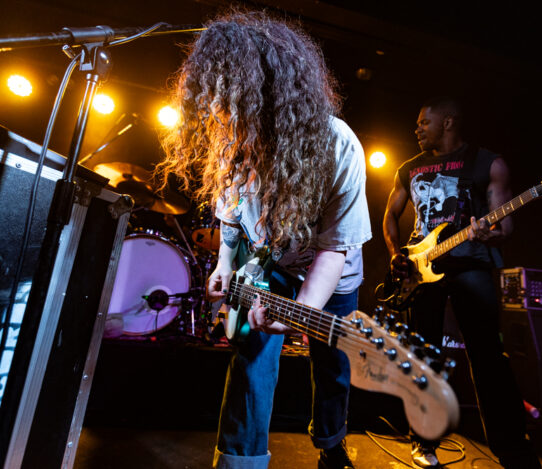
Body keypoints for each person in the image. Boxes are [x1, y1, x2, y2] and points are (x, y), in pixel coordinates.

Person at [155, 11, 372, 469]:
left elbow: (334, 248)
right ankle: (240, 462)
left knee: (332, 367)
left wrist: (302, 311)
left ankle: (331, 445)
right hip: (268, 265)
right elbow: (232, 216)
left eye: (233, 97)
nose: (222, 112)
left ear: (269, 92)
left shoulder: (338, 145)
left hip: (332, 274)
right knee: (251, 357)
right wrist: (224, 264)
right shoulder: (233, 140)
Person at [382, 97, 541, 469]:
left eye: (424, 122)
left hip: (471, 264)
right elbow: (390, 214)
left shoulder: (487, 163)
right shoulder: (408, 168)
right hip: (422, 271)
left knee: (488, 356)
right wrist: (394, 253)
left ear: (448, 122)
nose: (417, 128)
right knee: (423, 357)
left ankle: (512, 448)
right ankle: (423, 442)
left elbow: (505, 226)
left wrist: (490, 234)